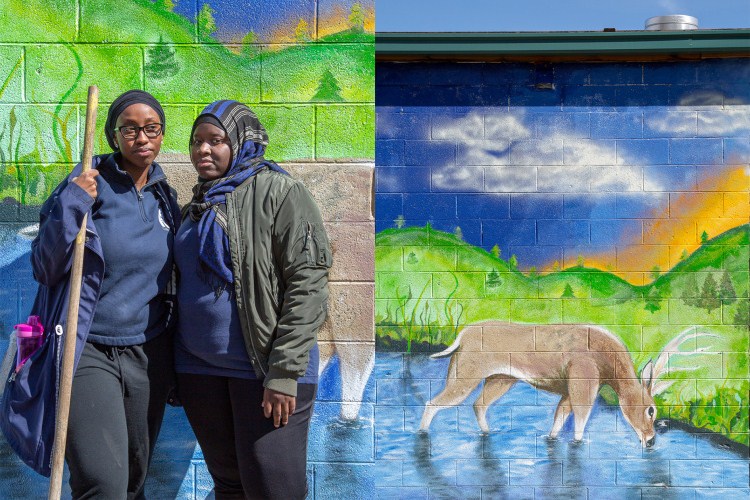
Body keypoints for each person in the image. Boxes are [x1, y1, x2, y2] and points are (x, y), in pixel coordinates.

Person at [174, 100, 331, 500]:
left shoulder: (281, 192)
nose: (202, 150)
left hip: (263, 370)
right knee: (229, 486)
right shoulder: (196, 206)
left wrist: (283, 373)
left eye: (216, 140)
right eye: (196, 141)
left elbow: (308, 284)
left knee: (274, 490)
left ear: (242, 142)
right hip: (200, 371)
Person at [31, 90, 180, 498]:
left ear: (162, 134)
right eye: (129, 129)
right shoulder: (86, 183)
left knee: (133, 480)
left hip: (148, 354)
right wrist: (73, 202)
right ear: (114, 136)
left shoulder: (166, 198)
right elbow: (45, 267)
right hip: (89, 349)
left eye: (152, 128)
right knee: (103, 483)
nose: (142, 137)